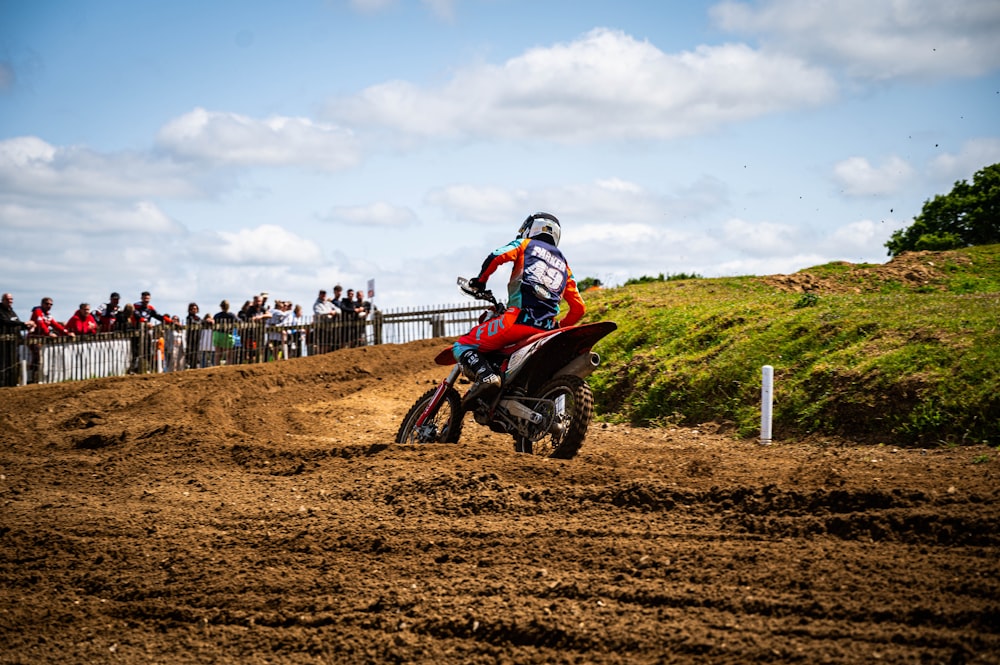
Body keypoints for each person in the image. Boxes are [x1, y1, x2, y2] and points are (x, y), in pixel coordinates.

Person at [452, 212, 585, 400]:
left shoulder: (525, 245)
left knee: (462, 345)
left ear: (532, 228)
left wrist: (479, 282)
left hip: (515, 321)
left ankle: (487, 375)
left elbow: (496, 256)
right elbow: (579, 308)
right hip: (545, 331)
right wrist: (558, 327)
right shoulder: (564, 264)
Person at [1, 293, 36, 387]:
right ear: (2, 300)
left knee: (12, 363)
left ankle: (10, 383)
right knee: (3, 363)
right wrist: (23, 323)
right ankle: (2, 384)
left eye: (11, 299)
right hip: (2, 343)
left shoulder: (12, 311)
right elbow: (5, 322)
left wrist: (27, 326)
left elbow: (17, 324)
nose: (10, 301)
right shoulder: (1, 311)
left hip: (13, 342)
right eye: (7, 299)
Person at [312, 289, 341, 354]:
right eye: (322, 294)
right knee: (322, 344)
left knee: (329, 343)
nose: (323, 295)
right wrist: (329, 312)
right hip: (321, 327)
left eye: (324, 294)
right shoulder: (316, 304)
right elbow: (318, 313)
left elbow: (339, 310)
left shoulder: (329, 303)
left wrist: (334, 311)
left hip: (329, 327)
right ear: (319, 295)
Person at [213, 299, 238, 365]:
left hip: (217, 335)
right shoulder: (232, 315)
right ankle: (228, 367)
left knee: (218, 354)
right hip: (227, 335)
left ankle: (216, 367)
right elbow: (239, 322)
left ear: (221, 306)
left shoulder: (216, 315)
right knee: (229, 355)